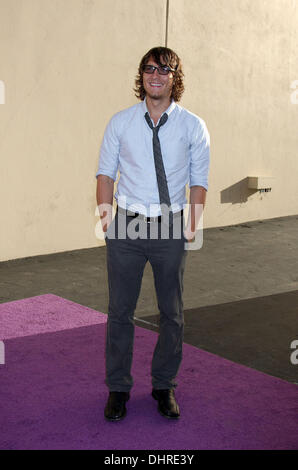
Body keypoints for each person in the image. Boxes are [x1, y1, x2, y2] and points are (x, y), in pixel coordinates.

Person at [95, 47, 210, 421]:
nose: (155, 75)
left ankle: (164, 386)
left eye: (164, 69)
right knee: (120, 313)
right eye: (149, 69)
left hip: (171, 225)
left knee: (172, 314)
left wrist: (190, 227)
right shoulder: (121, 122)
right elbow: (105, 174)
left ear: (175, 78)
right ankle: (118, 389)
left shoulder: (193, 126)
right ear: (141, 75)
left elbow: (198, 181)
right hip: (126, 225)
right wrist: (107, 220)